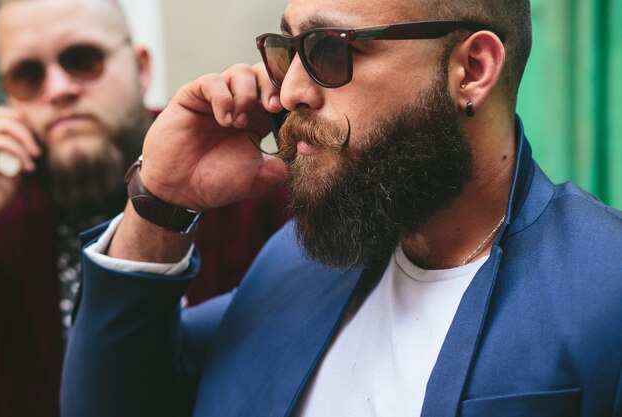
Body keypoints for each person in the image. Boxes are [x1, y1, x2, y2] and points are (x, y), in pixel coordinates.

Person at [61, 0, 622, 415]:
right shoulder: (297, 263)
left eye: (332, 49)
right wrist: (160, 203)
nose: (289, 92)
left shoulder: (604, 284)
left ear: (472, 69)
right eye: (287, 52)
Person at [0, 0, 287, 416]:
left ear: (142, 67)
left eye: (83, 60)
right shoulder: (5, 214)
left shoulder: (237, 166)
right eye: (28, 76)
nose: (58, 89)